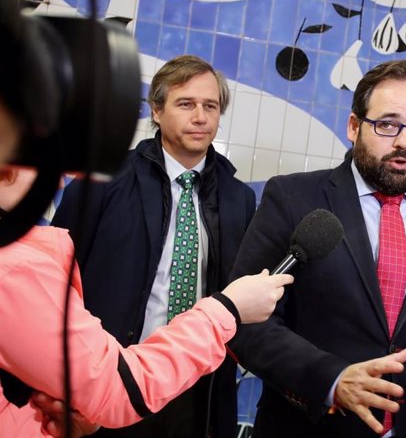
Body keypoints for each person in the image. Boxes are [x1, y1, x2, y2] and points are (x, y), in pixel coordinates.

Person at [226, 59, 406, 438]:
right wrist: (332, 379)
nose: (404, 141)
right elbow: (246, 321)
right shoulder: (292, 197)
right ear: (354, 126)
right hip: (311, 426)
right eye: (388, 124)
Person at [0, 165, 294, 436]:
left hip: (180, 383)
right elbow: (115, 390)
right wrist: (228, 310)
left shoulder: (236, 196)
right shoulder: (17, 267)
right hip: (130, 377)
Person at [51, 55, 256, 437]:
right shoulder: (102, 182)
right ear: (157, 111)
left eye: (210, 106)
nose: (200, 116)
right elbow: (55, 281)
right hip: (111, 378)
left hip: (197, 385)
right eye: (186, 104)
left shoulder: (238, 198)